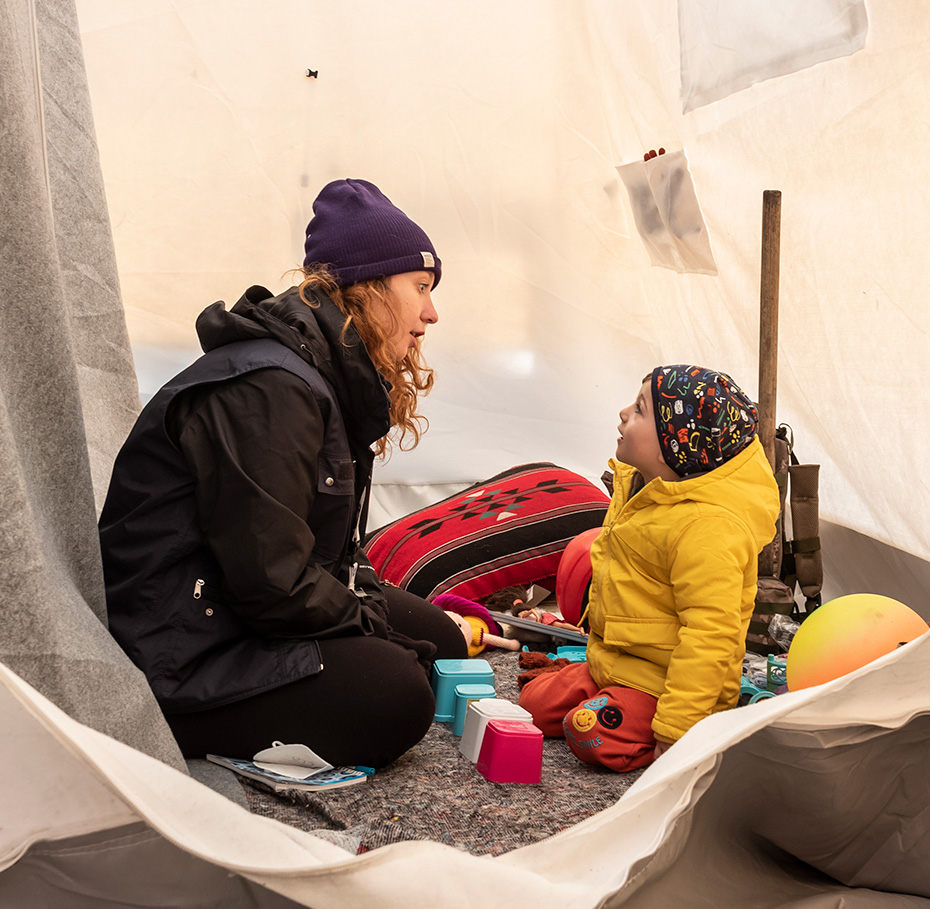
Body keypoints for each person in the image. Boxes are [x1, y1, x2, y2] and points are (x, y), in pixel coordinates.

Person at [98, 179, 467, 769]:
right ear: (366, 289)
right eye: (420, 288)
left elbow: (319, 550)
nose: (431, 313)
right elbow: (271, 583)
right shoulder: (269, 388)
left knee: (442, 641)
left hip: (239, 604)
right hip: (182, 643)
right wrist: (375, 630)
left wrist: (369, 611)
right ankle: (177, 724)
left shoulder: (317, 373)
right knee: (396, 695)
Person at [519, 365, 780, 772]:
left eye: (640, 409)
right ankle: (604, 693)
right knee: (532, 706)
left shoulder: (709, 529)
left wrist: (675, 731)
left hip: (667, 688)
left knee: (588, 731)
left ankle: (694, 733)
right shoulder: (644, 494)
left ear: (674, 446)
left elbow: (711, 637)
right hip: (615, 665)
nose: (624, 413)